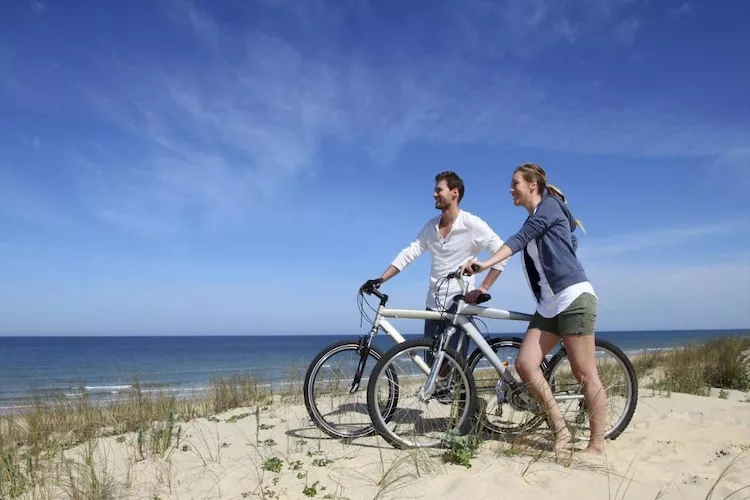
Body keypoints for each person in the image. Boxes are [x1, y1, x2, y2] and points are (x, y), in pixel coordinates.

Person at [463, 162, 607, 457]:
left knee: (585, 373)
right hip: (549, 305)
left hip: (573, 298)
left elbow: (519, 240)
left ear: (533, 185)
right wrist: (484, 288)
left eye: (515, 183)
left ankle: (597, 444)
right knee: (526, 365)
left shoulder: (550, 206)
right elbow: (564, 243)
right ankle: (561, 430)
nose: (510, 188)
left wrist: (484, 263)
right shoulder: (539, 218)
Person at [364, 171, 510, 364]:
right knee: (432, 366)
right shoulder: (431, 226)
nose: (434, 194)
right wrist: (381, 279)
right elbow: (410, 253)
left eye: (438, 190)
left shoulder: (472, 224)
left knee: (455, 369)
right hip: (433, 306)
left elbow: (503, 252)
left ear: (454, 192)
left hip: (460, 305)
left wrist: (483, 288)